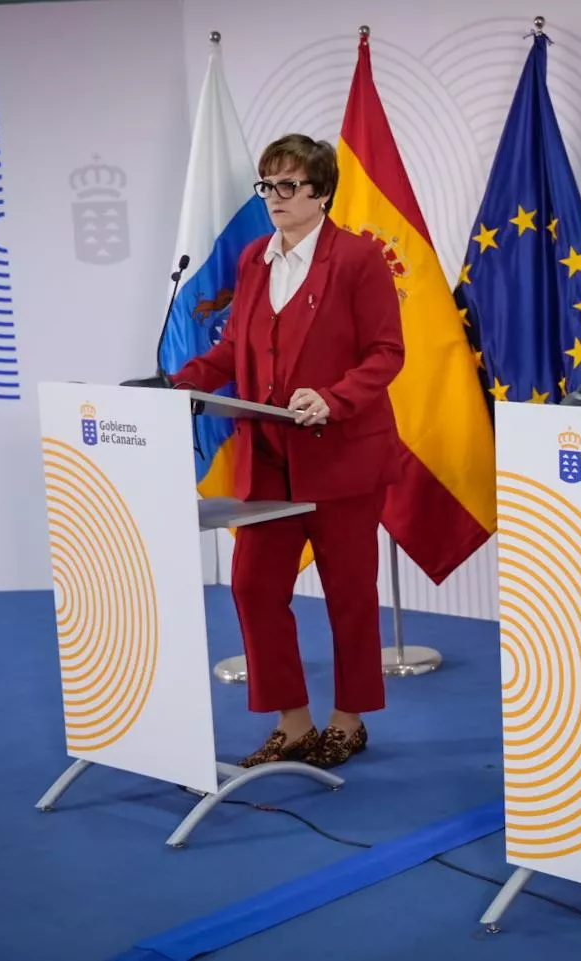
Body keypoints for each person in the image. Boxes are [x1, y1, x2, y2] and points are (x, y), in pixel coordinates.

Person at [169, 133, 404, 769]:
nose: (274, 197)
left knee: (348, 596)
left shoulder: (358, 260)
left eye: (288, 185)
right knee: (251, 586)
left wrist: (332, 397)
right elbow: (233, 351)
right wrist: (176, 382)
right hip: (268, 460)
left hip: (343, 459)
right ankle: (293, 723)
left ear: (321, 192)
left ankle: (348, 721)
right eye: (267, 184)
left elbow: (387, 353)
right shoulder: (253, 260)